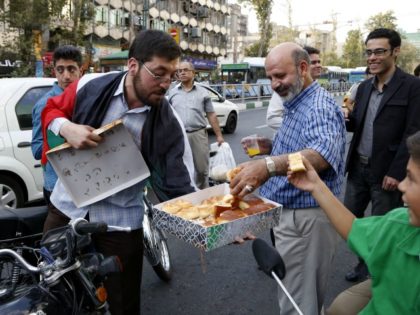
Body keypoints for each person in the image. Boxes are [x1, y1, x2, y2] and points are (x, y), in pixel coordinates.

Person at [40, 30, 196, 315]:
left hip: (121, 225)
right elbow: (51, 111)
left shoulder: (168, 121)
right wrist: (67, 128)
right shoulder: (89, 85)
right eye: (159, 73)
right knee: (53, 291)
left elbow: (180, 182)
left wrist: (218, 217)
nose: (166, 84)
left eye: (171, 75)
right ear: (133, 65)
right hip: (66, 211)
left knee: (122, 305)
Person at [230, 42, 346, 315]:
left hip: (305, 219)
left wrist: (267, 166)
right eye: (270, 77)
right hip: (293, 217)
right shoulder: (296, 103)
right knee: (298, 294)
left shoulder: (317, 105)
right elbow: (301, 148)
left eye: (280, 76)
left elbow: (320, 154)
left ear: (303, 68)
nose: (274, 84)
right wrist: (270, 146)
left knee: (298, 305)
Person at [288, 130, 420, 314]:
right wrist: (315, 186)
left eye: (412, 179)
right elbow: (354, 230)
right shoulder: (398, 224)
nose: (402, 185)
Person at [343, 28, 420, 283]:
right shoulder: (364, 88)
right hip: (357, 169)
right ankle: (364, 261)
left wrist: (397, 173)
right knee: (352, 221)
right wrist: (346, 119)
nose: (372, 57)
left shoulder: (412, 87)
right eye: (369, 52)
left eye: (379, 51)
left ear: (395, 52)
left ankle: (377, 272)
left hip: (386, 172)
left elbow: (413, 132)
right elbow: (359, 123)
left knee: (383, 226)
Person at [31, 45, 82, 205]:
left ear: (81, 70)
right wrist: (64, 138)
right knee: (58, 230)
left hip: (85, 183)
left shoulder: (87, 98)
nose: (66, 76)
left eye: (71, 69)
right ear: (54, 71)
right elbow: (37, 149)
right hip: (57, 187)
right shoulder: (44, 104)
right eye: (60, 70)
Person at [168, 61, 224, 189]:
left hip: (198, 134)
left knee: (201, 169)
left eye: (185, 70)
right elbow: (168, 116)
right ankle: (187, 195)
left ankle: (202, 194)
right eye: (180, 70)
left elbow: (211, 115)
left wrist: (219, 136)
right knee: (182, 168)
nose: (182, 72)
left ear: (193, 73)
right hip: (179, 136)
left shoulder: (203, 92)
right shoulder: (172, 93)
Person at [266, 45, 323, 131]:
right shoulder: (286, 87)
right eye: (314, 63)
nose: (318, 65)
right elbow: (272, 119)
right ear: (303, 67)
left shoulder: (321, 93)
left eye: (319, 62)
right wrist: (301, 128)